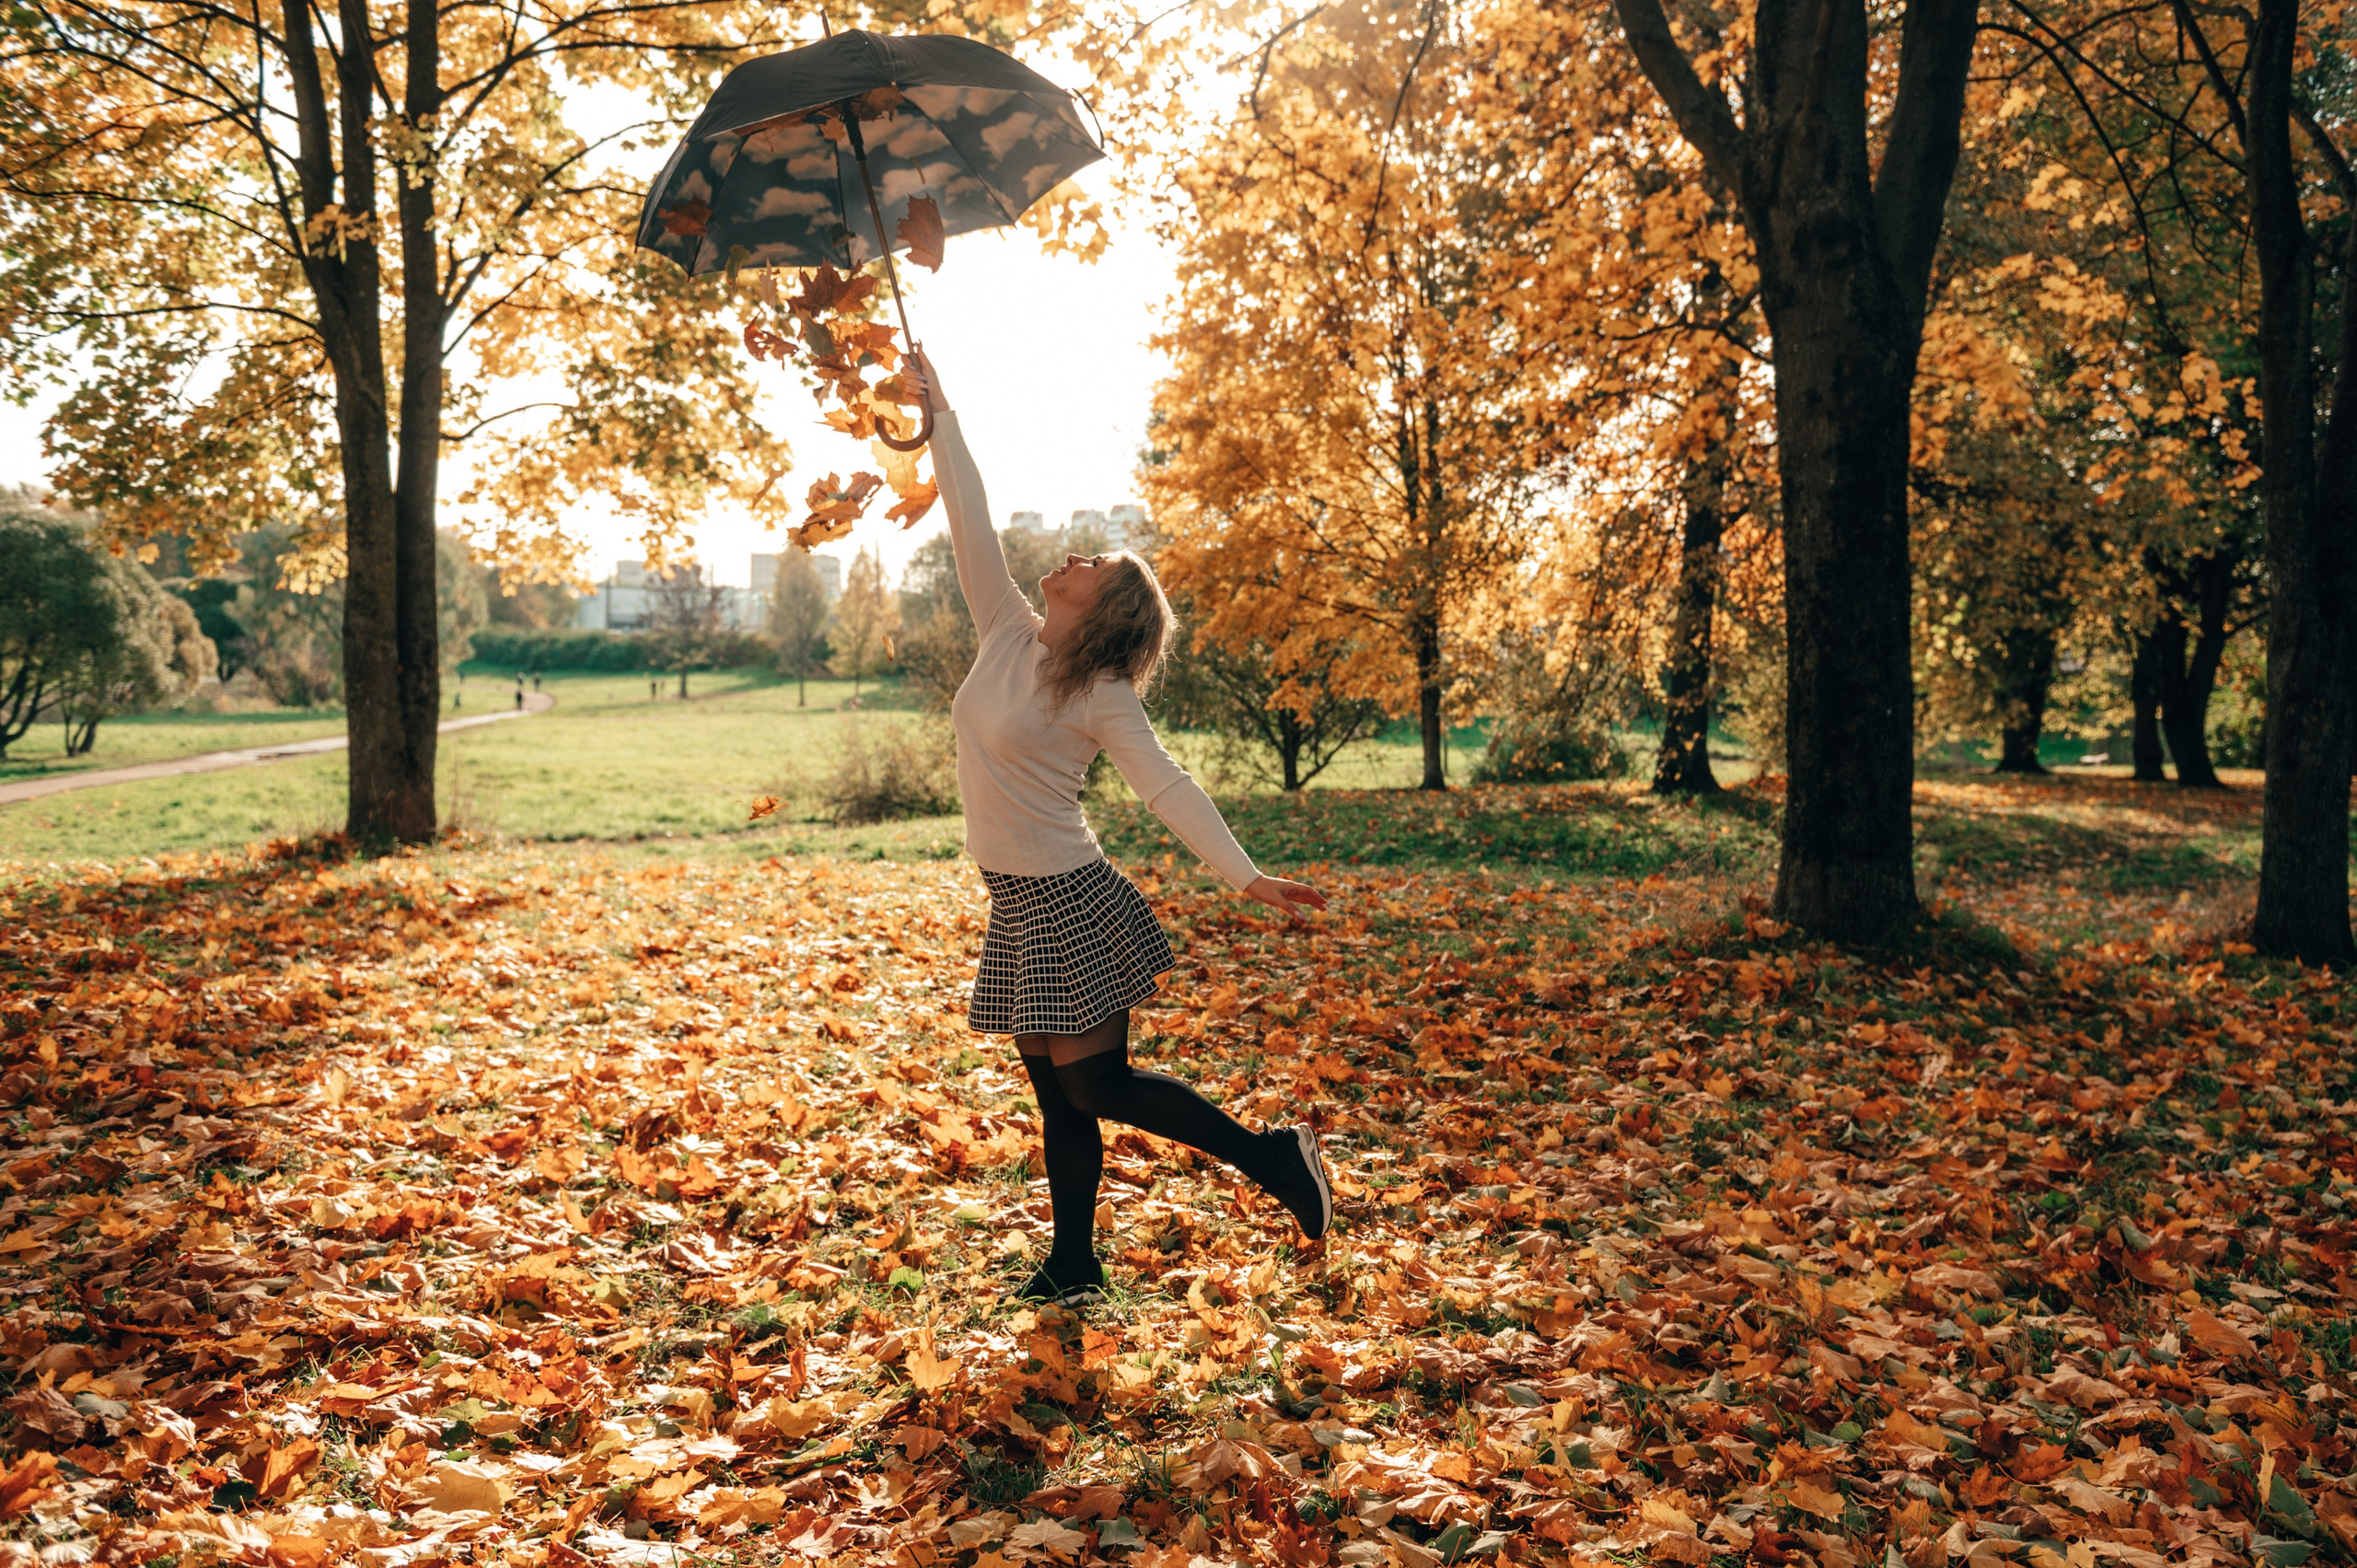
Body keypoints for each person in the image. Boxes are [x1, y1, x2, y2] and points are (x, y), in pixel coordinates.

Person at [905, 348, 1335, 1308]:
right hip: (1015, 900)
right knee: (1058, 1098)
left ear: (1108, 607)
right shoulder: (1005, 628)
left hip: (1071, 898)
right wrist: (943, 413)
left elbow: (1166, 787)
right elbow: (968, 510)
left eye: (1094, 564)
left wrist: (1248, 875)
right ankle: (1073, 1264)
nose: (1073, 558)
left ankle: (1273, 1157)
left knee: (1096, 1086)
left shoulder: (1101, 691)